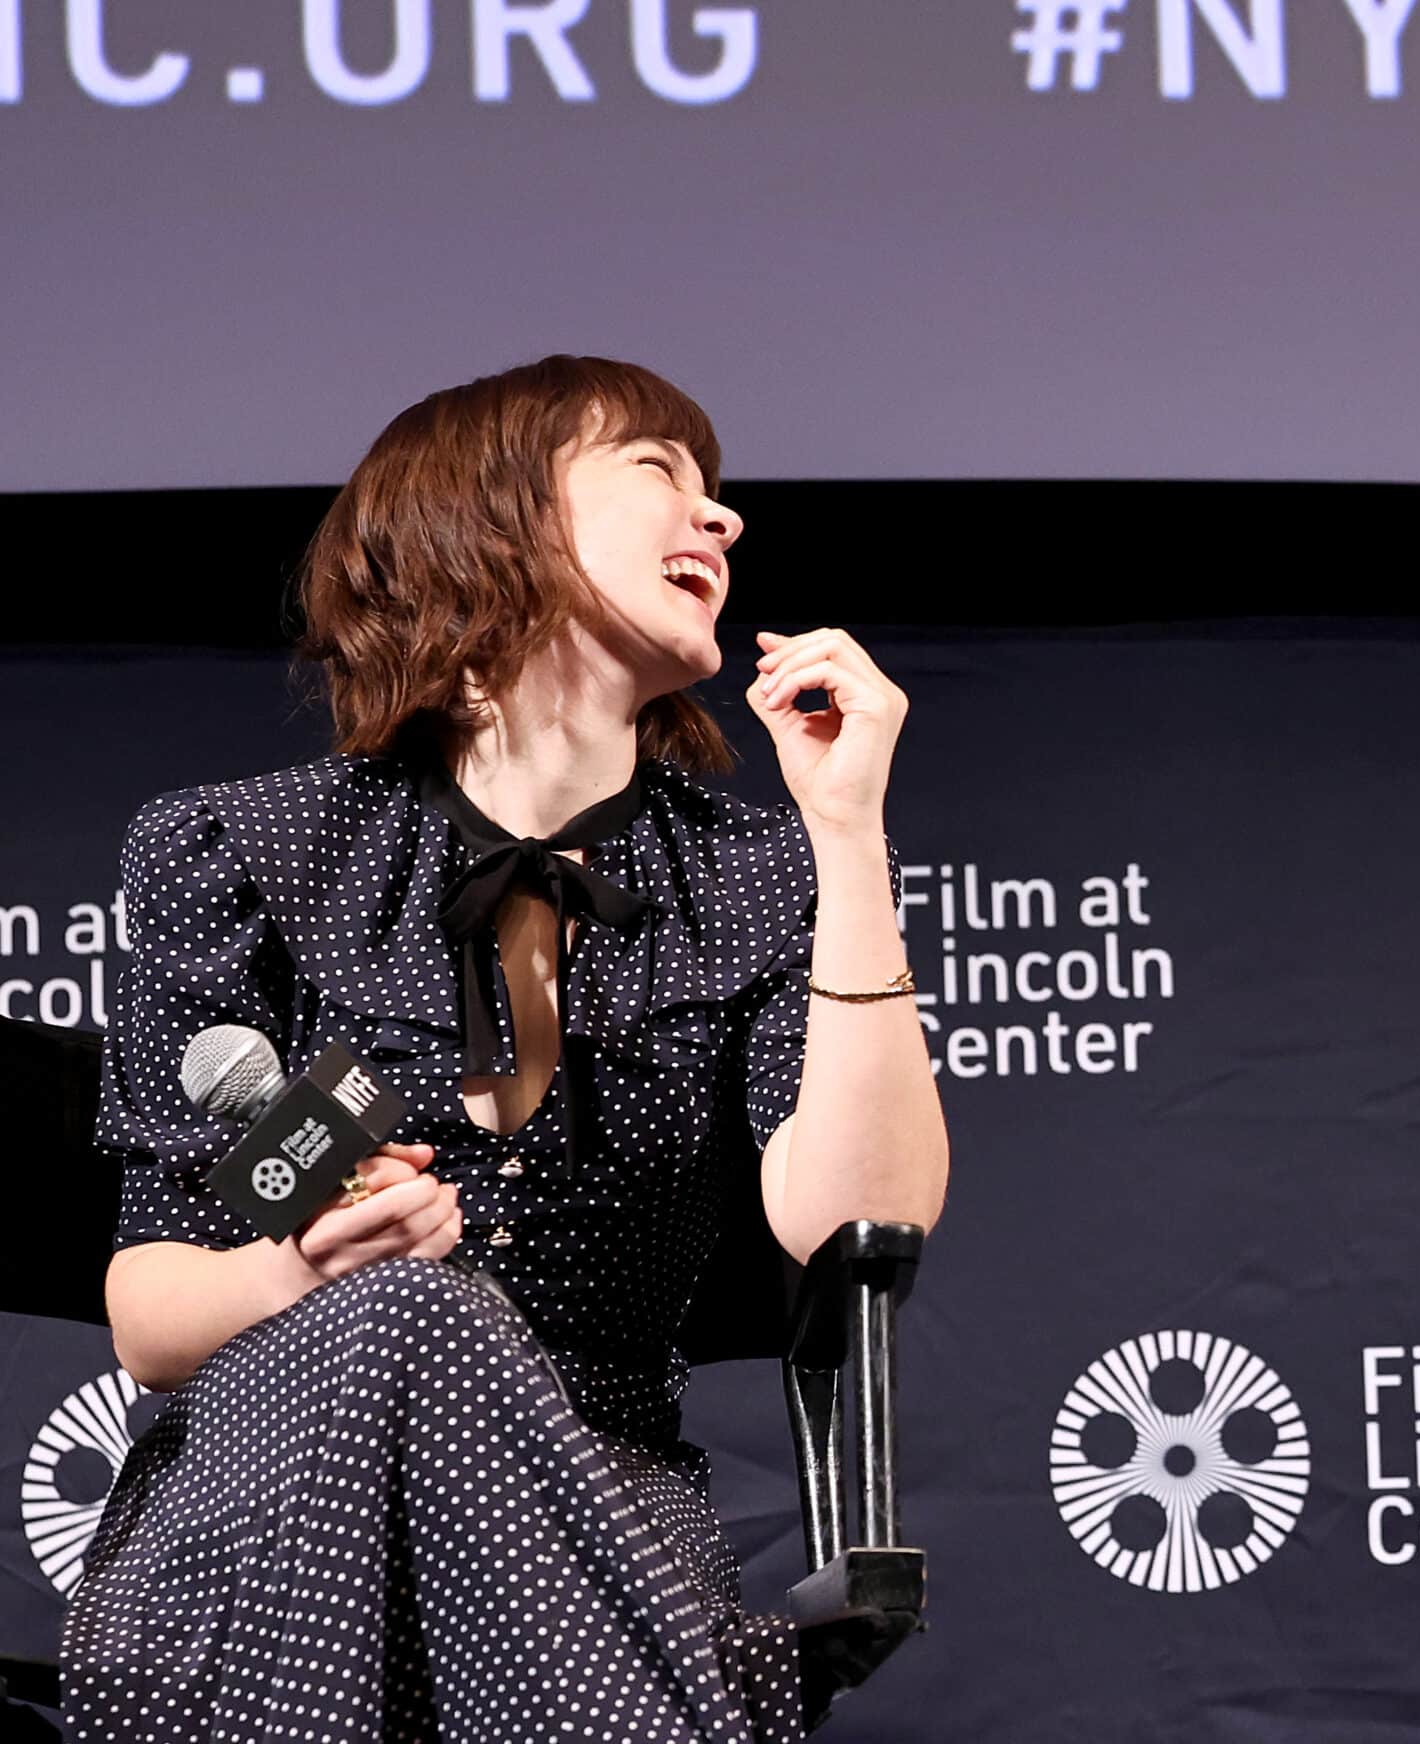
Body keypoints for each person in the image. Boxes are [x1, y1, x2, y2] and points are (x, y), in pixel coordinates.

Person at [64, 355, 947, 1740]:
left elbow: (855, 1218)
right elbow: (152, 1322)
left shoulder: (763, 875)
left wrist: (847, 833)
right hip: (271, 1501)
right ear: (490, 521)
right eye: (657, 473)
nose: (718, 519)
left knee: (435, 1322)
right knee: (404, 1308)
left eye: (715, 490)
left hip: (590, 1515)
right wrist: (306, 1262)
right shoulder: (243, 852)